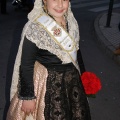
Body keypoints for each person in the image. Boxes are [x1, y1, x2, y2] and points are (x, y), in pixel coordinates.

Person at [7, 0, 91, 119]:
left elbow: (77, 52)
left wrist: (84, 76)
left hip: (72, 82)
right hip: (47, 83)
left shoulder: (71, 22)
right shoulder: (35, 27)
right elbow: (26, 64)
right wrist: (28, 97)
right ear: (44, 1)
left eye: (64, 0)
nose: (60, 5)